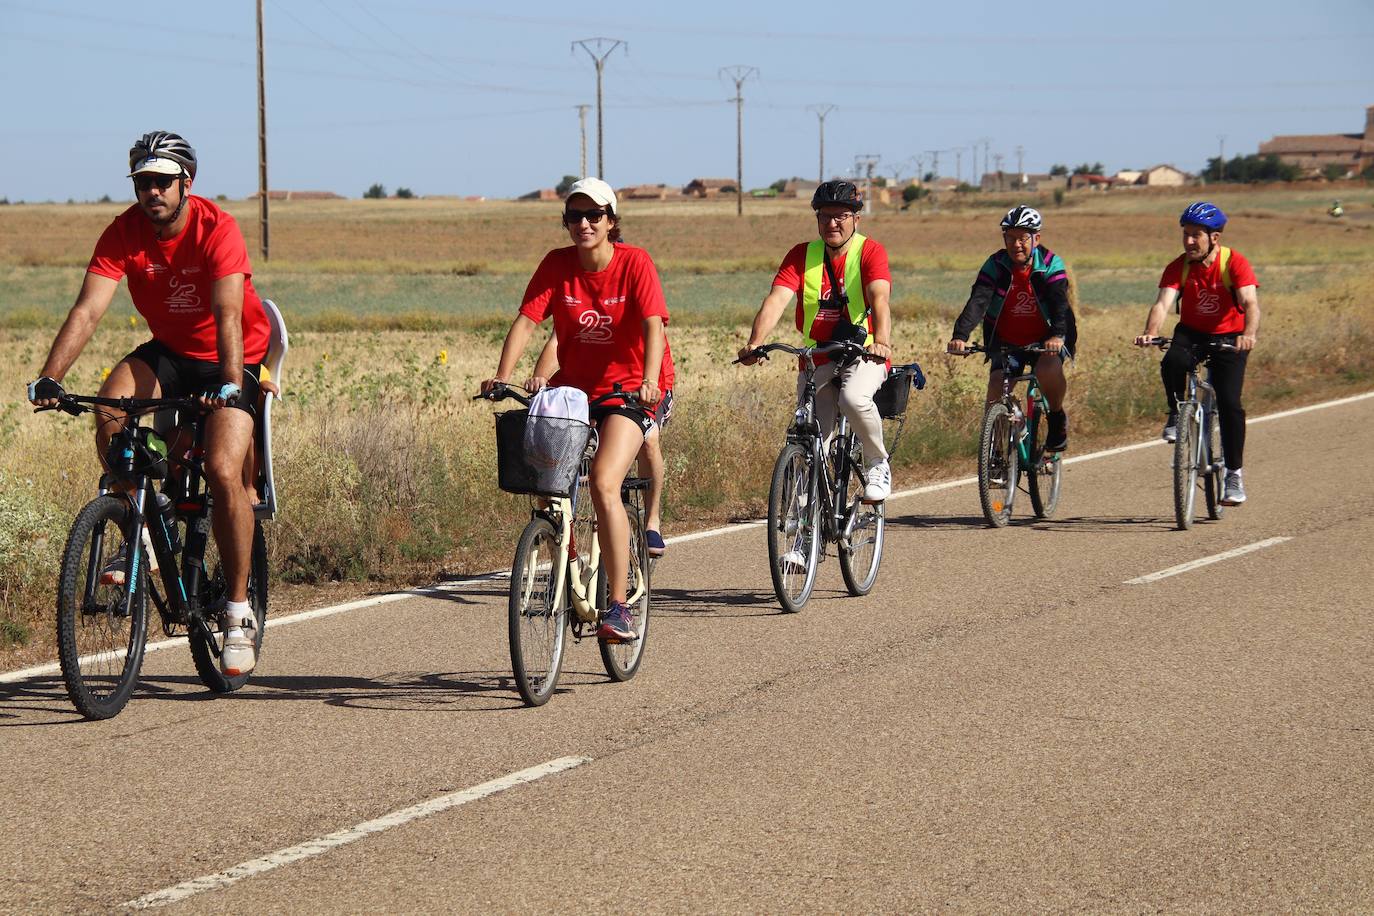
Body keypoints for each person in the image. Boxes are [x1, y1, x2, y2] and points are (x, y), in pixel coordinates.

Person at [26, 130, 270, 675]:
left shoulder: (217, 228)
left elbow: (229, 314)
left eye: (162, 181)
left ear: (187, 183)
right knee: (110, 404)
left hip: (232, 357)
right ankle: (141, 510)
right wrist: (50, 376)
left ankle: (235, 612)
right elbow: (88, 310)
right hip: (170, 353)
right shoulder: (123, 233)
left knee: (223, 469)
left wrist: (231, 383)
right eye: (142, 182)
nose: (152, 192)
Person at [481, 178, 669, 641]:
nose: (583, 224)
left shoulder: (635, 263)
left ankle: (620, 606)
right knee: (545, 477)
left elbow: (652, 326)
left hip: (628, 392)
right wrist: (502, 376)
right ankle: (562, 552)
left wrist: (649, 381)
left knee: (605, 481)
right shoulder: (557, 265)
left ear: (610, 221)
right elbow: (527, 322)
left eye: (594, 216)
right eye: (574, 216)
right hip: (576, 393)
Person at [737, 180, 895, 502]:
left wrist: (882, 342)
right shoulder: (801, 255)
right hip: (817, 357)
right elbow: (776, 300)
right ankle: (802, 535)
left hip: (863, 353)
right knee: (811, 438)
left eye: (841, 216)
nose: (832, 223)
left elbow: (880, 299)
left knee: (852, 399)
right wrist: (755, 342)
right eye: (825, 216)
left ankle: (878, 463)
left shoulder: (870, 252)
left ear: (856, 219)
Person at [1133, 202, 1260, 505]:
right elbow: (1163, 303)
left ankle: (1233, 474)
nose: (1189, 241)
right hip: (1192, 333)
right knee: (1173, 360)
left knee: (1229, 403)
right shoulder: (1180, 266)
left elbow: (1251, 303)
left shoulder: (1234, 263)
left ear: (1214, 237)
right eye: (1185, 234)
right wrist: (1150, 331)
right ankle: (1176, 414)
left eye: (1196, 236)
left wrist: (1248, 335)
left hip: (1231, 336)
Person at [527, 331, 675, 558]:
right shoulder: (577, 298)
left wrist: (649, 384)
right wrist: (540, 377)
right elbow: (560, 338)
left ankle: (651, 521)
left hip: (643, 383)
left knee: (649, 438)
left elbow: (652, 335)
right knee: (552, 435)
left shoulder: (633, 299)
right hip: (592, 380)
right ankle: (560, 545)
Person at [947, 205, 1075, 452]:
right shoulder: (996, 264)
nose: (1017, 244)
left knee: (1049, 369)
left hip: (1045, 340)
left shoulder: (1050, 263)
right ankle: (995, 455)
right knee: (997, 386)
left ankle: (1057, 416)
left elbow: (1060, 303)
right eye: (1011, 237)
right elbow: (978, 301)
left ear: (1036, 238)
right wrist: (960, 336)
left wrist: (1058, 335)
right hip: (1007, 342)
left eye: (1023, 238)